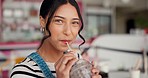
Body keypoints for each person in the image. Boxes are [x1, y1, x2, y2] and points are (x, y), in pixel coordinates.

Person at [10, 0, 102, 78]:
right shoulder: (22, 72)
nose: (68, 32)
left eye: (74, 22)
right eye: (59, 21)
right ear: (42, 22)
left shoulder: (77, 61)